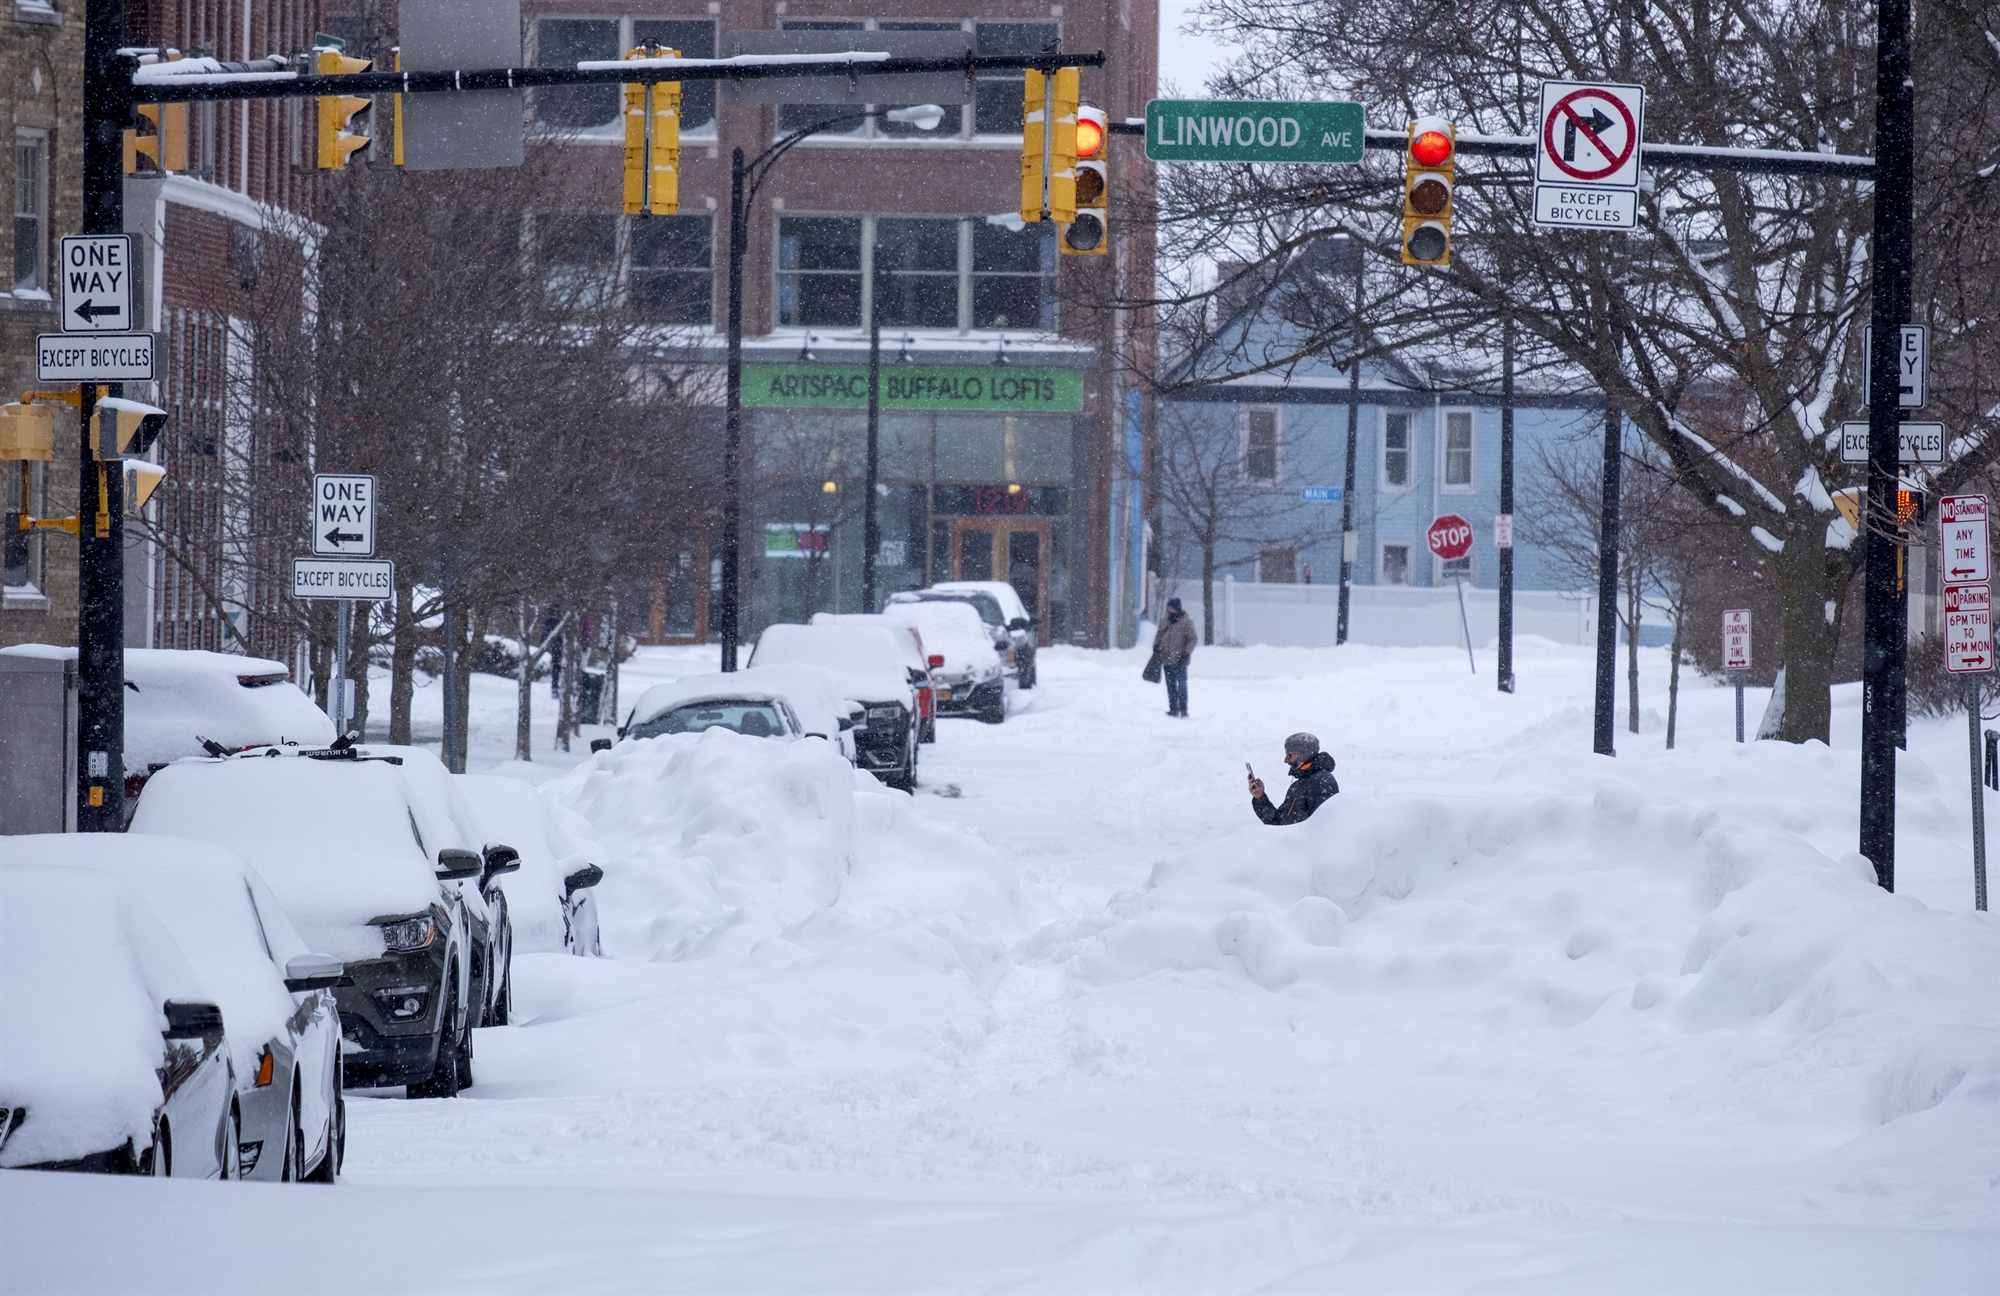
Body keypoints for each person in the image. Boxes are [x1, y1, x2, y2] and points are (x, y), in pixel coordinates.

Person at [1249, 732, 1339, 825]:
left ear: (1303, 755)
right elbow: (1278, 822)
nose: (1285, 760)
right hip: (1289, 839)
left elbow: (1325, 826)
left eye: (1289, 755)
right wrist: (1260, 797)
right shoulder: (1298, 785)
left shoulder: (1321, 782)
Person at [1153, 597, 1198, 717]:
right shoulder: (1164, 622)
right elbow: (1159, 635)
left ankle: (1183, 709)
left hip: (1180, 660)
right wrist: (1156, 646)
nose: (1168, 609)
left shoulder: (1186, 623)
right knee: (1170, 685)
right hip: (1166, 659)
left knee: (1182, 684)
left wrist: (1186, 652)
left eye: (1170, 606)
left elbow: (1192, 639)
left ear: (1176, 608)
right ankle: (1173, 708)